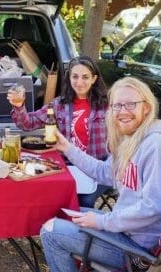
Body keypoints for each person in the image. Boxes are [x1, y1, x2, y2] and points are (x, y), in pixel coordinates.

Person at [40, 77, 161, 272]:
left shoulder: (156, 145)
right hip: (125, 231)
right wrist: (67, 148)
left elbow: (154, 207)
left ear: (147, 107)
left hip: (139, 250)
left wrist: (102, 222)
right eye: (117, 105)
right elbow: (103, 172)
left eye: (131, 104)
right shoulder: (131, 140)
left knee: (50, 232)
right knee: (68, 213)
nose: (123, 111)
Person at [8, 55, 110, 208]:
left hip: (98, 167)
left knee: (84, 201)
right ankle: (56, 229)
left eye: (85, 77)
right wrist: (19, 106)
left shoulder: (108, 105)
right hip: (67, 166)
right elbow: (27, 124)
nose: (79, 82)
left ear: (94, 79)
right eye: (75, 76)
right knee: (50, 195)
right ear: (69, 77)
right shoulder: (59, 104)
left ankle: (82, 230)